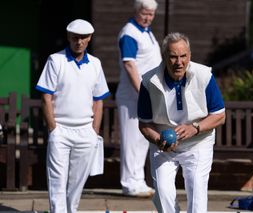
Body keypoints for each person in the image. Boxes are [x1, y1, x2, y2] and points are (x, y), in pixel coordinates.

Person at [137, 32, 226, 212]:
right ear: (164, 57)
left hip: (198, 142)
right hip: (163, 146)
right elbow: (144, 124)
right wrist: (158, 140)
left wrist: (196, 128)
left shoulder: (204, 76)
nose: (179, 62)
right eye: (173, 57)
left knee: (197, 194)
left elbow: (219, 115)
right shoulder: (148, 81)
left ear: (189, 56)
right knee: (162, 194)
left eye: (183, 56)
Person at [35, 19, 110, 213]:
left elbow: (98, 100)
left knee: (77, 183)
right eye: (75, 37)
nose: (79, 41)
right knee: (57, 182)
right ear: (69, 37)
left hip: (86, 131)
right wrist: (53, 128)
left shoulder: (95, 63)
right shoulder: (55, 60)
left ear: (89, 38)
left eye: (83, 37)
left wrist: (94, 132)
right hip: (61, 129)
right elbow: (46, 96)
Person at [116, 0, 162, 197]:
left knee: (144, 138)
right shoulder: (129, 33)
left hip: (148, 96)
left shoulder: (147, 32)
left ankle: (139, 181)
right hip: (133, 96)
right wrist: (142, 93)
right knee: (131, 139)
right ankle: (129, 183)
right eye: (145, 13)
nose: (148, 17)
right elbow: (129, 65)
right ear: (136, 11)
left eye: (151, 14)